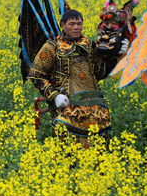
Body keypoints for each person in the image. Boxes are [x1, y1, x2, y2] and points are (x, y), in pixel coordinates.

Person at [28, 9, 129, 147]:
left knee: (97, 155)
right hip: (66, 108)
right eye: (72, 24)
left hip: (95, 109)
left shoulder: (90, 45)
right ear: (62, 25)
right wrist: (54, 96)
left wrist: (117, 55)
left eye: (79, 24)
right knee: (67, 153)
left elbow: (100, 72)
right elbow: (36, 75)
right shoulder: (52, 47)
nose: (76, 27)